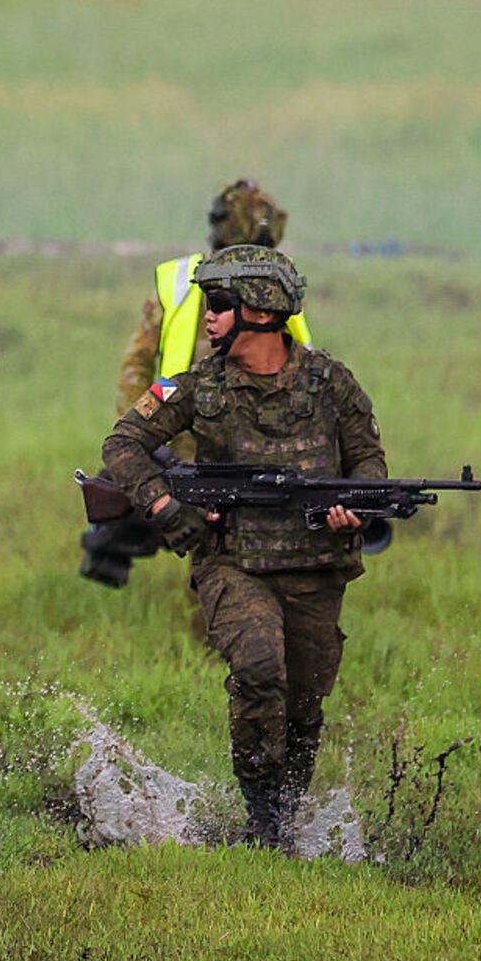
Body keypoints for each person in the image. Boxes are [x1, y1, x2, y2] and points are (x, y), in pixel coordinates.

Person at [102, 244, 386, 848]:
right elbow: (122, 445)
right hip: (233, 564)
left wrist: (355, 509)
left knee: (304, 702)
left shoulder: (330, 383)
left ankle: (286, 813)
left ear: (260, 310)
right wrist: (166, 508)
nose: (207, 316)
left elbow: (368, 463)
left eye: (219, 303)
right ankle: (262, 821)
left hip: (315, 567)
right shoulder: (198, 387)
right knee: (258, 669)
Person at [116, 178, 313, 449]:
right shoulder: (180, 282)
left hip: (259, 442)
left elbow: (303, 366)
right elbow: (137, 364)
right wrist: (139, 438)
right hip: (184, 440)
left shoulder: (277, 286)